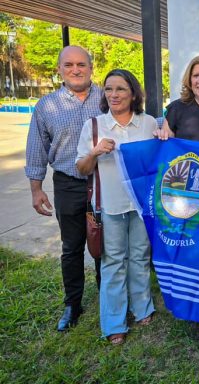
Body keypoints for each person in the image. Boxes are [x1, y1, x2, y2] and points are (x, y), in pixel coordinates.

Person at [25, 45, 102, 332]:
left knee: (104, 245)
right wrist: (36, 188)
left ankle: (108, 296)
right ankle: (73, 304)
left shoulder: (107, 99)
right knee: (71, 247)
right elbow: (36, 149)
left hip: (102, 183)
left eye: (81, 64)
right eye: (68, 65)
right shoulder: (46, 106)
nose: (75, 69)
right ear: (59, 69)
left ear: (91, 68)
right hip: (68, 183)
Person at [76, 69, 156, 345]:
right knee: (112, 263)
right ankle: (114, 323)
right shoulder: (95, 126)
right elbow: (81, 168)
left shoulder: (148, 124)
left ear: (133, 93)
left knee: (139, 258)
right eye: (109, 89)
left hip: (140, 206)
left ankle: (142, 307)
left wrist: (166, 130)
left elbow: (161, 153)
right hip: (109, 207)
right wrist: (95, 152)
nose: (114, 95)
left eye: (120, 89)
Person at [156, 54, 199, 141]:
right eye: (195, 76)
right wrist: (161, 136)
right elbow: (167, 147)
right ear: (190, 80)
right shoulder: (176, 109)